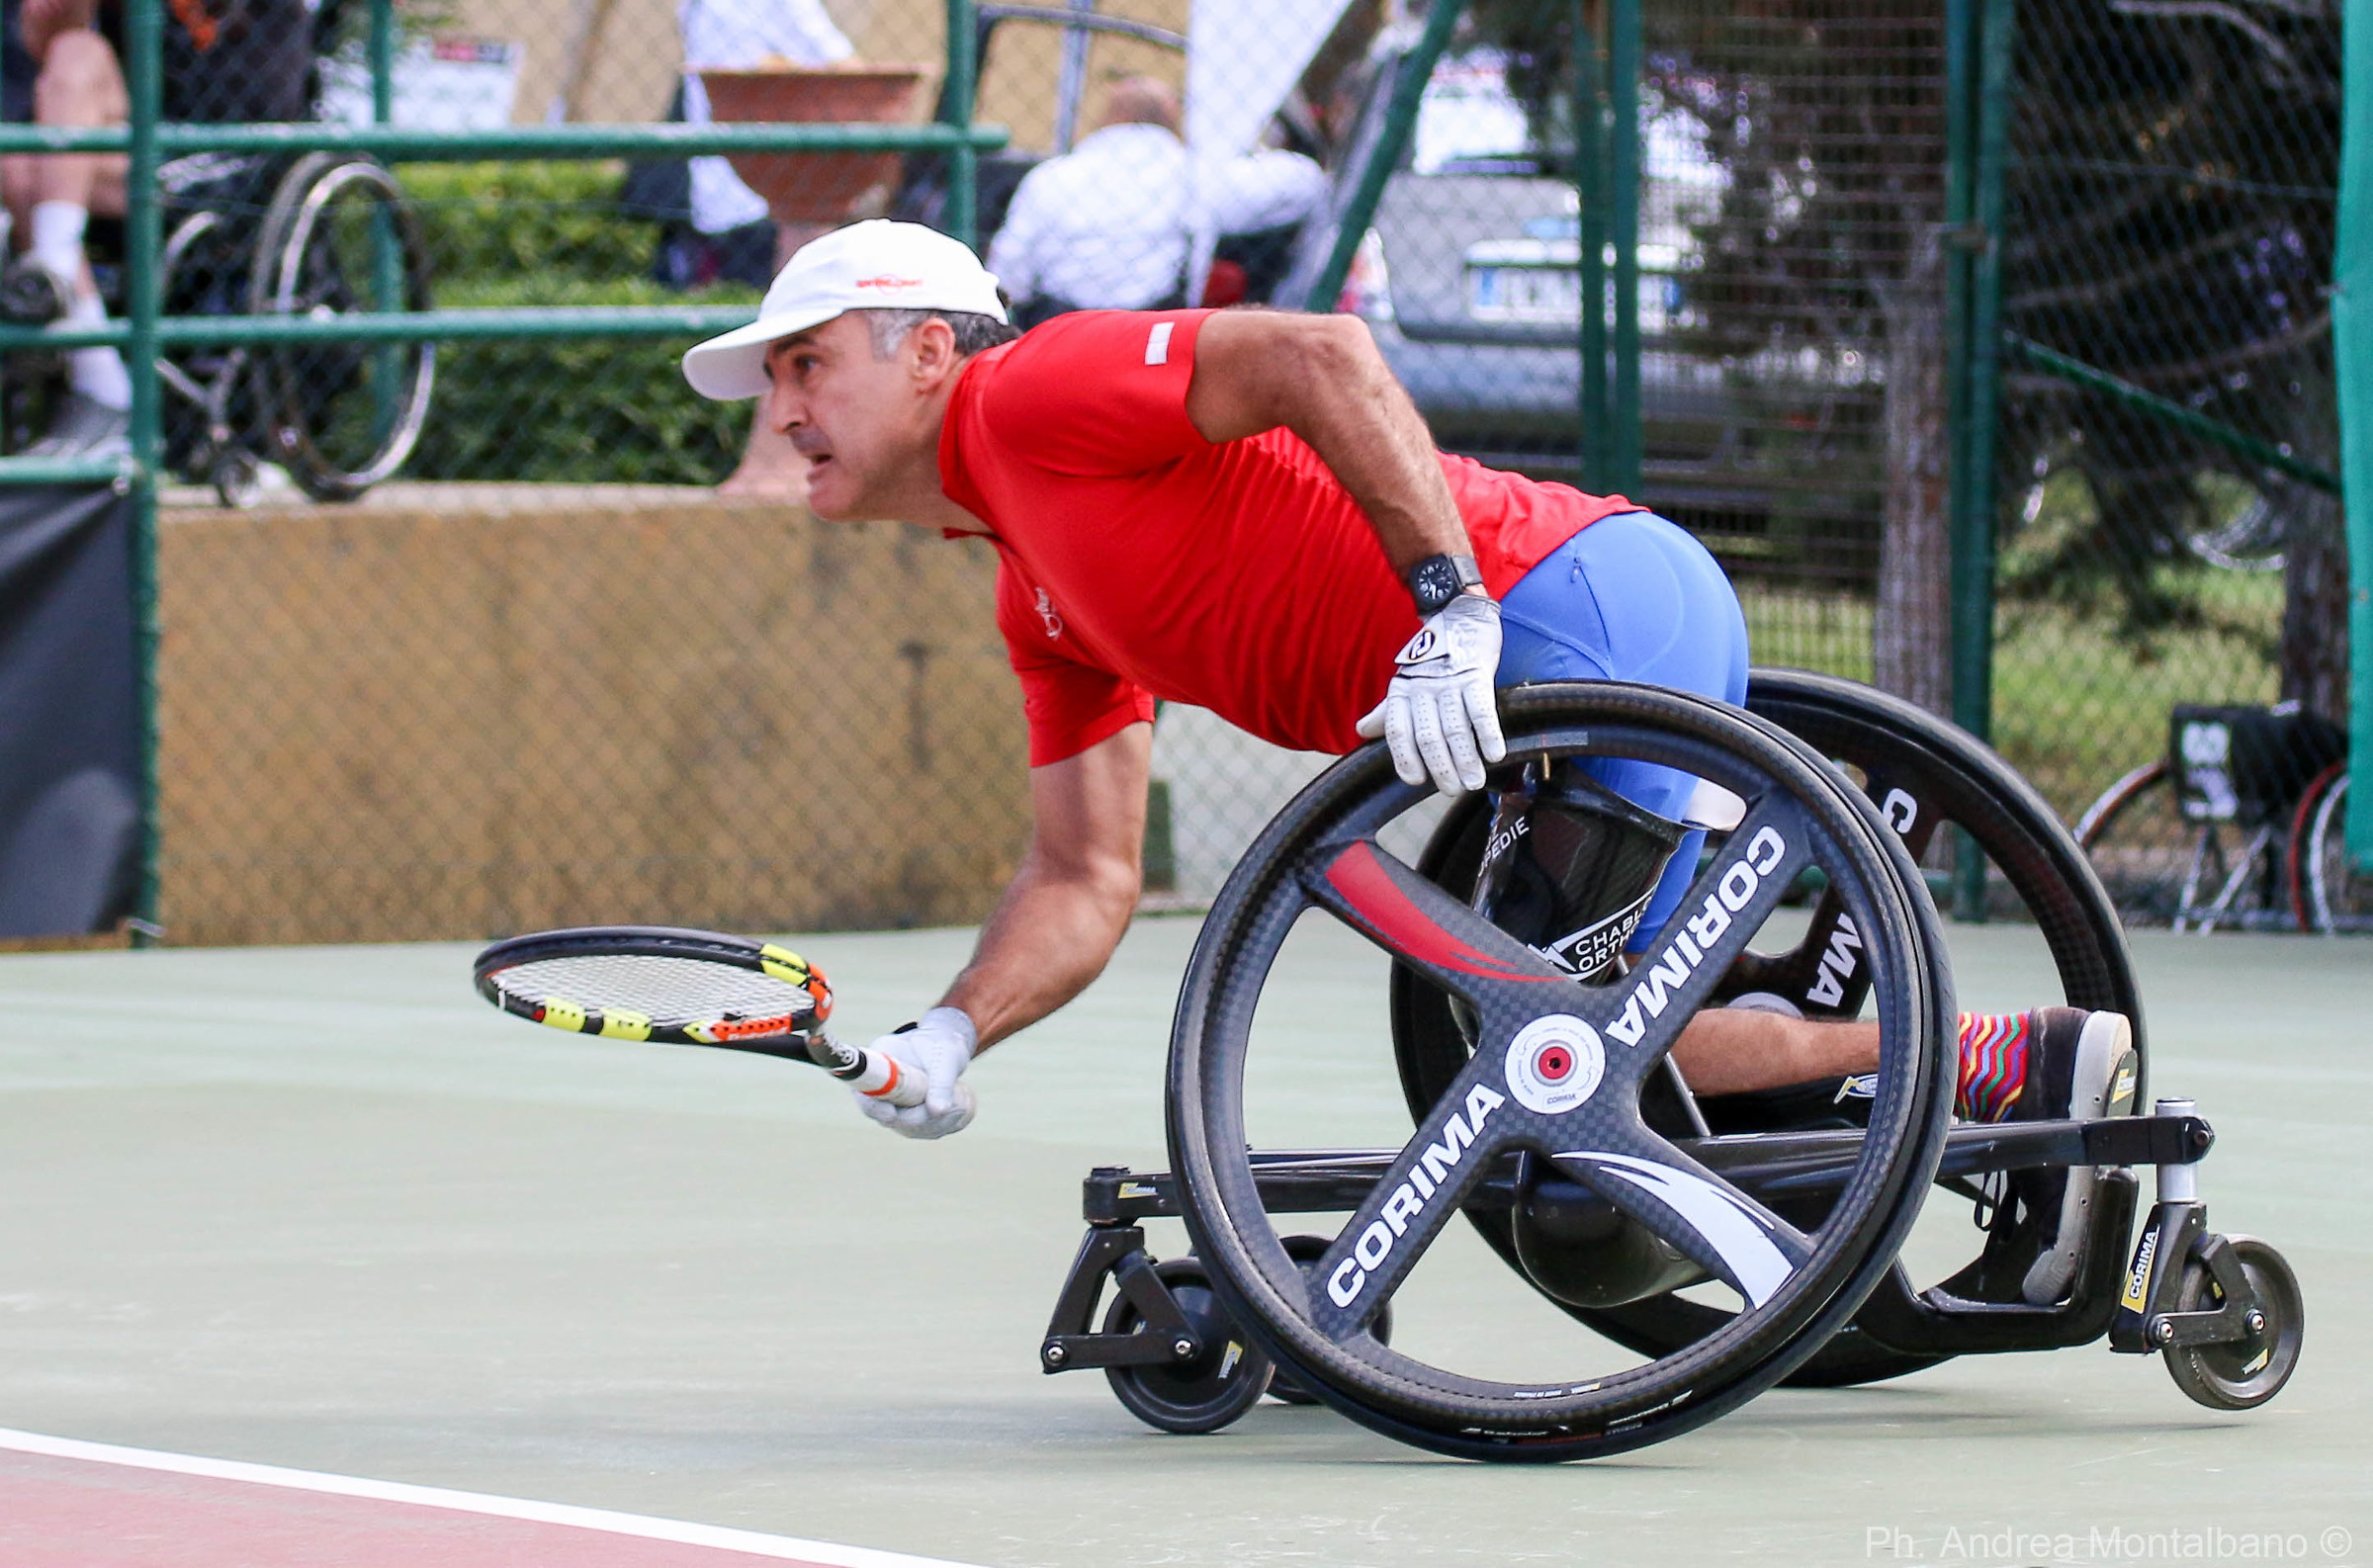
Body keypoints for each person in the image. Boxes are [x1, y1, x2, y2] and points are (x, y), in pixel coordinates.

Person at [678, 219, 2139, 1308]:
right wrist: (951, 1029)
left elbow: (1324, 353)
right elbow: (1084, 872)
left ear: (929, 347)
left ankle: (1952, 1098)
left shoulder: (1035, 391)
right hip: (1563, 672)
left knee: (1560, 1109)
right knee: (1562, 1061)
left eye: (805, 364)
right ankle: (1995, 1066)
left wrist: (1450, 608)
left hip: (1588, 610)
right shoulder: (1035, 590)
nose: (784, 409)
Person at [0, 0, 309, 457]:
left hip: (227, 154)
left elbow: (254, 103)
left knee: (33, 163)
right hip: (129, 152)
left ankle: (67, 306)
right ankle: (89, 351)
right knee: (32, 128)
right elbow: (53, 68)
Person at [676, 0, 857, 498]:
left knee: (770, 340)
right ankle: (768, 469)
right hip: (766, 196)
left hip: (725, 194)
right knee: (783, 343)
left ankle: (761, 467)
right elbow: (843, 64)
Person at [986, 74, 1324, 327]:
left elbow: (1010, 274)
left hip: (1060, 334)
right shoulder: (1195, 178)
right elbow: (1304, 182)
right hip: (1152, 340)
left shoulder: (1050, 178)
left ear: (1107, 118)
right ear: (1172, 120)